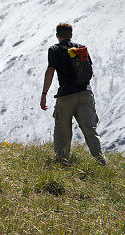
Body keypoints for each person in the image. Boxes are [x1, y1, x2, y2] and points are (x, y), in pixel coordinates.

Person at [40, 22, 106, 165]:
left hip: (66, 95)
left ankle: (62, 161)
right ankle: (101, 161)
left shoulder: (54, 49)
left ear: (57, 35)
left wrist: (44, 94)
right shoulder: (81, 49)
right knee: (90, 130)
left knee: (62, 129)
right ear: (71, 35)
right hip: (85, 94)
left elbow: (50, 71)